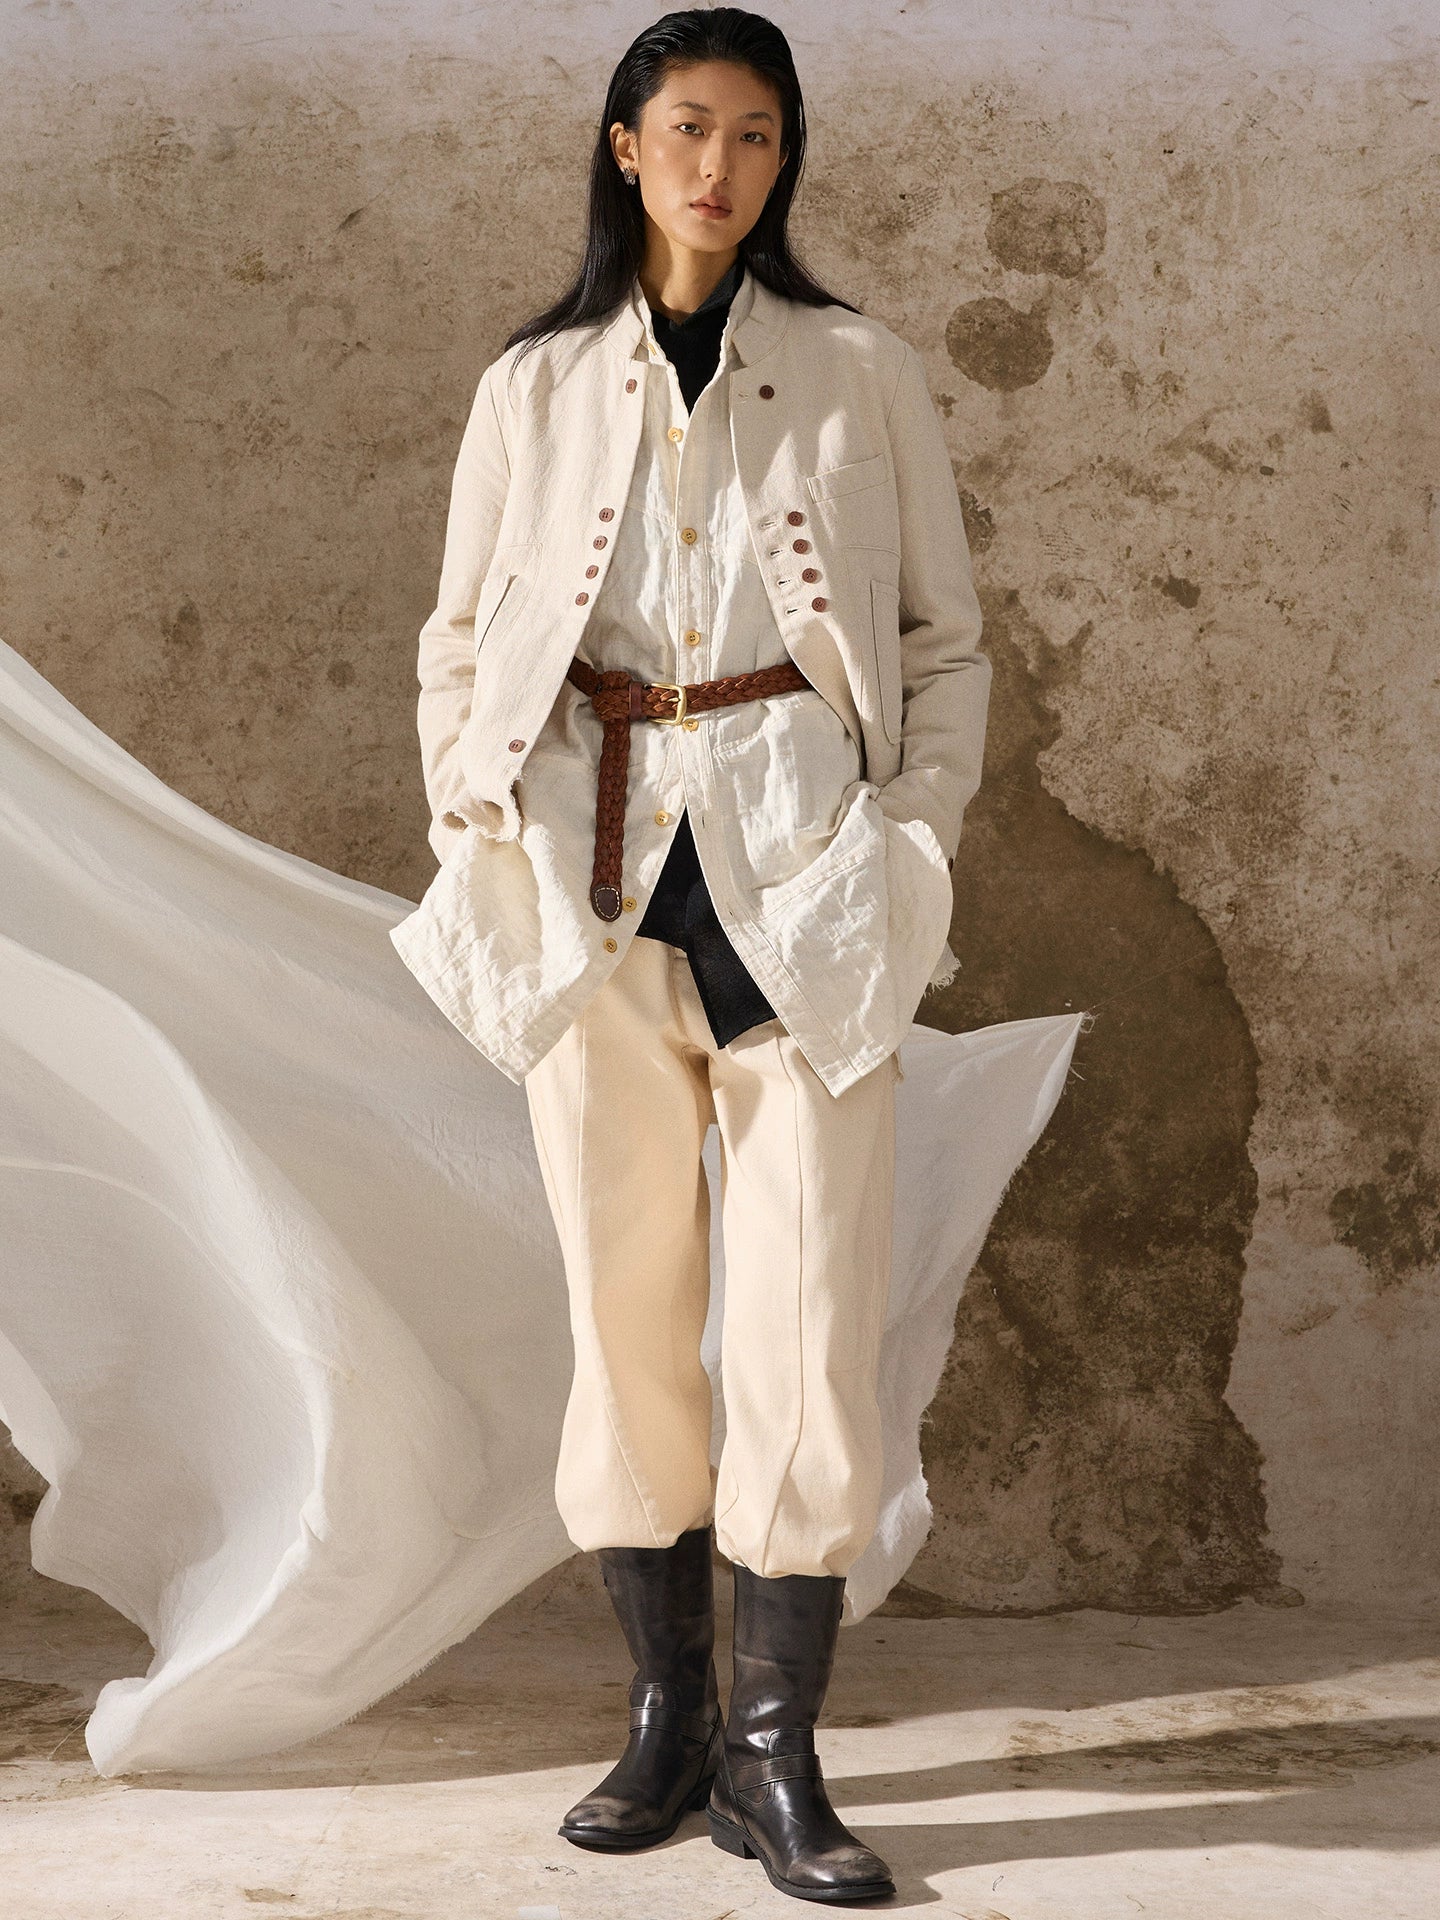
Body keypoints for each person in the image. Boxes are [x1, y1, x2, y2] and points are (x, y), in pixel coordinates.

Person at [387, 6, 990, 1903]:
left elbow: (945, 643)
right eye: (688, 128)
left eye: (756, 134)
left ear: (784, 159)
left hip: (806, 889)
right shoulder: (534, 384)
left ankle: (772, 1754)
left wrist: (910, 845)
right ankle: (665, 1720)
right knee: (624, 1315)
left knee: (808, 1329)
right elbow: (458, 637)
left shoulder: (861, 370)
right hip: (590, 896)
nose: (720, 166)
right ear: (626, 146)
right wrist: (471, 817)